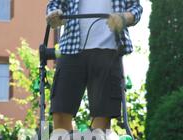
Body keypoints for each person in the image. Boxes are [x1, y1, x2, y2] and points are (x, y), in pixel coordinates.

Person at [46, 0, 143, 131]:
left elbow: (135, 7)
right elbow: (55, 4)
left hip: (109, 50)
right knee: (60, 113)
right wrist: (55, 14)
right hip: (70, 48)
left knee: (101, 120)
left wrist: (124, 17)